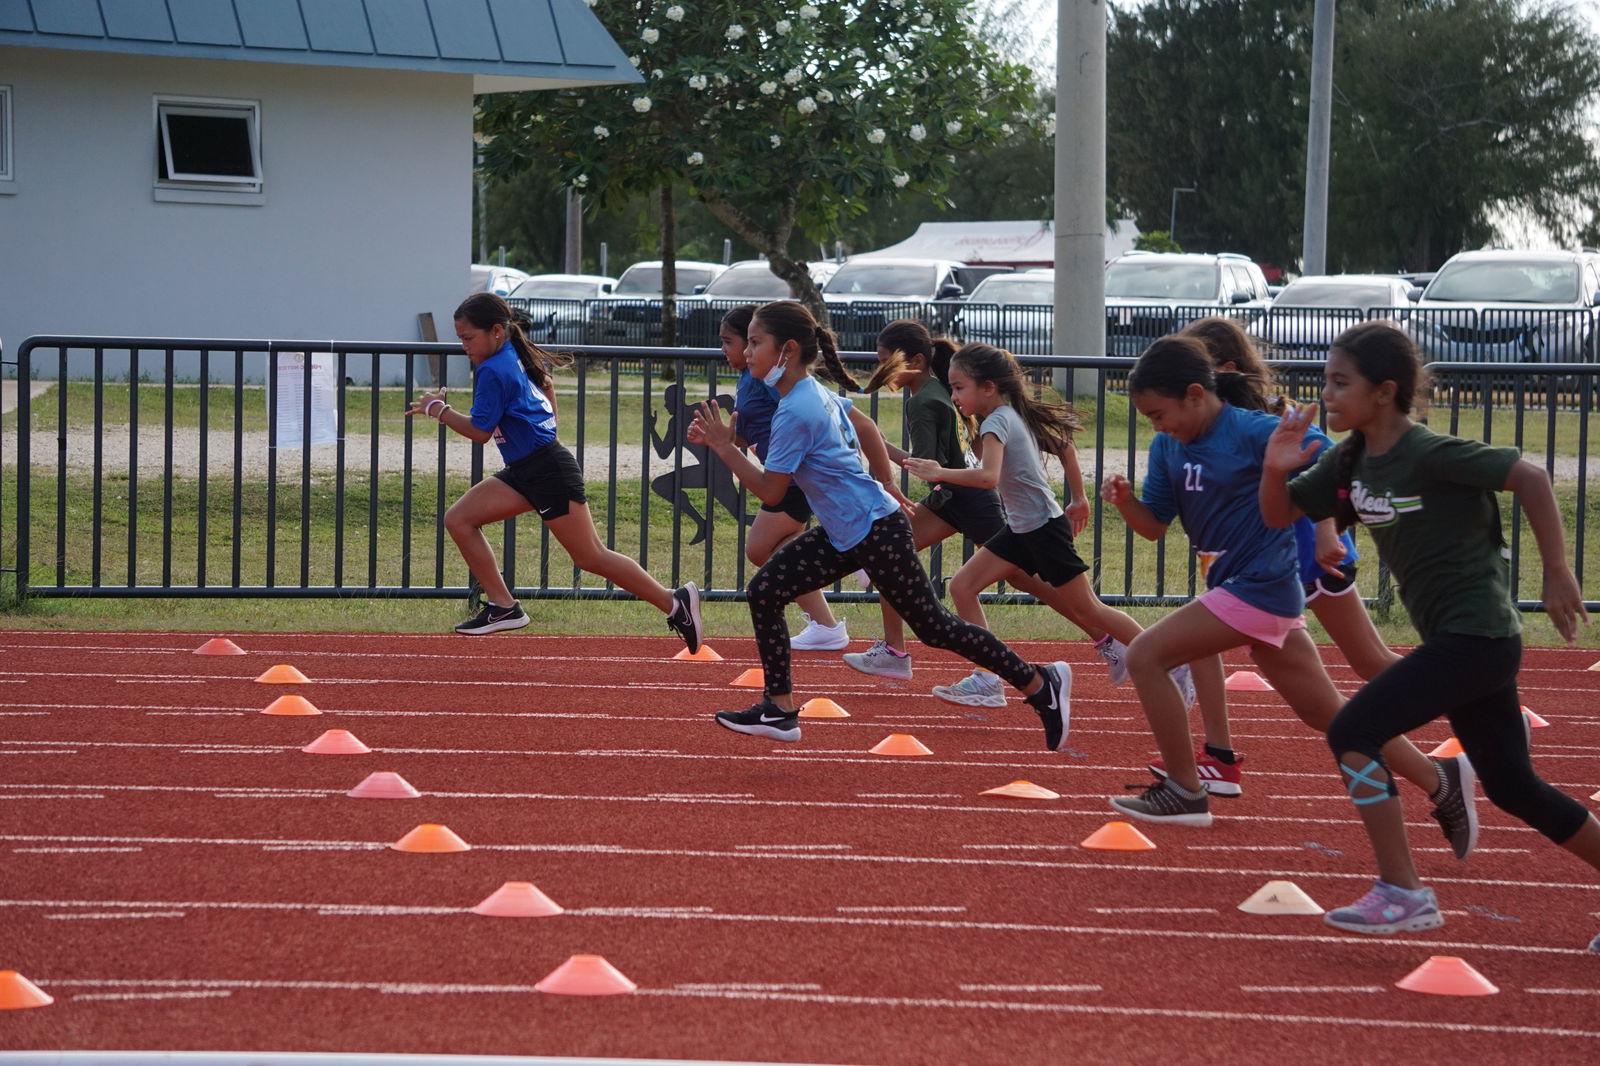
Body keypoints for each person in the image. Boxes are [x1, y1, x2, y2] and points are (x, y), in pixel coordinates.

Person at [1261, 321, 1599, 941]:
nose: (1327, 396)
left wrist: (1556, 572)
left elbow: (1530, 476)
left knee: (1354, 729)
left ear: (1384, 391)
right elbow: (1280, 513)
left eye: (1341, 383)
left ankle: (1403, 891)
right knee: (1513, 787)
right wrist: (1276, 466)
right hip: (1468, 643)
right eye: (1326, 382)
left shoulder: (1429, 453)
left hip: (1478, 638)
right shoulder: (1349, 461)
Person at [1099, 335, 1468, 839]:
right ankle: (1439, 778)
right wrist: (1124, 502)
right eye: (1149, 419)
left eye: (1160, 414)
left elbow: (1335, 463)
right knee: (1330, 714)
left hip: (1263, 586)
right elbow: (1154, 526)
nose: (1156, 427)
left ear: (1194, 394)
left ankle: (1185, 790)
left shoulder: (1253, 431)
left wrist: (1323, 530)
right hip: (1240, 588)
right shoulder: (1168, 446)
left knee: (1145, 655)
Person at [689, 302, 1070, 748]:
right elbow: (865, 424)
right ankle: (779, 709)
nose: (748, 352)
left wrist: (723, 447)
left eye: (756, 343)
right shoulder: (810, 393)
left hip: (874, 529)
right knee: (766, 590)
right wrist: (885, 479)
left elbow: (772, 492)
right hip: (850, 529)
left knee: (933, 626)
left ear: (787, 351)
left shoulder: (796, 410)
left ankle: (1039, 683)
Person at [1153, 316, 1403, 796]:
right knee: (1202, 647)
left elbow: (1322, 464)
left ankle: (1471, 703)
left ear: (1221, 370)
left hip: (1308, 559)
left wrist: (1328, 531)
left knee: (1367, 661)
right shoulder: (1201, 432)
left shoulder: (1266, 421)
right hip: (1251, 567)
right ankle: (1219, 757)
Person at [891, 342, 1195, 711]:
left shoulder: (997, 422)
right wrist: (1078, 498)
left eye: (959, 387)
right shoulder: (1006, 415)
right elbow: (1054, 448)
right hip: (1021, 529)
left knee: (1090, 610)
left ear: (988, 387)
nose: (953, 395)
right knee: (963, 586)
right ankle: (988, 679)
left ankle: (1170, 662)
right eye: (952, 388)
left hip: (1042, 529)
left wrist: (939, 471)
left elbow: (989, 477)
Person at [408, 292, 704, 652]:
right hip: (528, 468)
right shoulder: (509, 354)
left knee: (591, 556)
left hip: (545, 469)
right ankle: (504, 607)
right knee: (459, 519)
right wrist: (546, 429)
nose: (463, 346)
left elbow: (480, 431)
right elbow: (546, 385)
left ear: (496, 331)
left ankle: (675, 604)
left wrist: (438, 410)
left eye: (468, 338)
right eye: (460, 339)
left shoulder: (493, 368)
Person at [841, 320, 1007, 684]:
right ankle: (894, 652)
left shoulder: (923, 402)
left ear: (915, 360)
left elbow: (927, 468)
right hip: (952, 500)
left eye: (887, 360)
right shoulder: (937, 390)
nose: (880, 369)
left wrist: (876, 443)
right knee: (888, 555)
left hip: (970, 501)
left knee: (1038, 581)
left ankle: (1109, 634)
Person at [715, 304, 883, 651]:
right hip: (789, 479)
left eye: (737, 342)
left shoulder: (776, 384)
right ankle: (827, 622)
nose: (735, 351)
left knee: (762, 551)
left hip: (791, 481)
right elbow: (761, 427)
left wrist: (889, 471)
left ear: (776, 347)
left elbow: (834, 420)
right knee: (773, 553)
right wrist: (732, 438)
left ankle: (858, 561)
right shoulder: (753, 378)